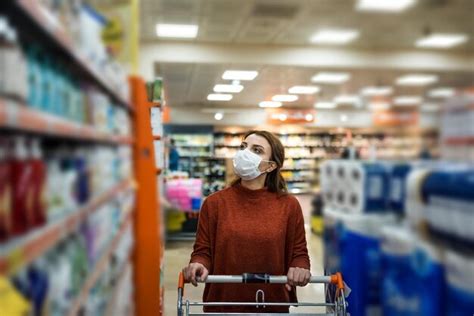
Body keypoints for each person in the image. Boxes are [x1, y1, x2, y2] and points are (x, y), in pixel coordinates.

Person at [182, 130, 311, 313]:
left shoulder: (289, 206)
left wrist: (300, 268)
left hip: (271, 303)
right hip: (224, 303)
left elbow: (299, 253)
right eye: (243, 146)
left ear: (270, 166)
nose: (245, 153)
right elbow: (203, 251)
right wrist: (198, 264)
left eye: (256, 150)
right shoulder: (214, 203)